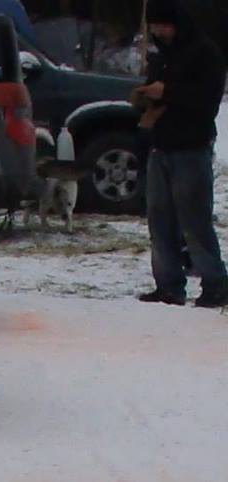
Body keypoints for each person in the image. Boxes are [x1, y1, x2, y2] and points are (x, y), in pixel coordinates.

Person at [134, 0, 228, 307]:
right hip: (161, 146)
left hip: (191, 147)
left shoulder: (205, 54)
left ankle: (215, 283)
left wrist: (167, 92)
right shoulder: (161, 55)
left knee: (194, 220)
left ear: (176, 23)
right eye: (154, 27)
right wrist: (145, 97)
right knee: (159, 220)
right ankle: (168, 285)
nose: (158, 31)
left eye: (162, 25)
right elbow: (155, 88)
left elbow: (206, 100)